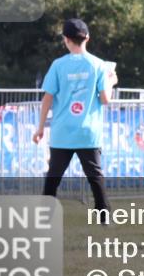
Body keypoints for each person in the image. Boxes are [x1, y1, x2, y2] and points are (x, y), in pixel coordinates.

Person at [33, 18, 117, 217]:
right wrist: (111, 81)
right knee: (95, 175)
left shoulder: (58, 65)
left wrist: (40, 127)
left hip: (63, 130)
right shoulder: (98, 65)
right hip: (88, 131)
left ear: (66, 39)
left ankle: (46, 215)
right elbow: (105, 99)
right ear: (87, 37)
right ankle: (103, 215)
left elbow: (47, 97)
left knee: (53, 176)